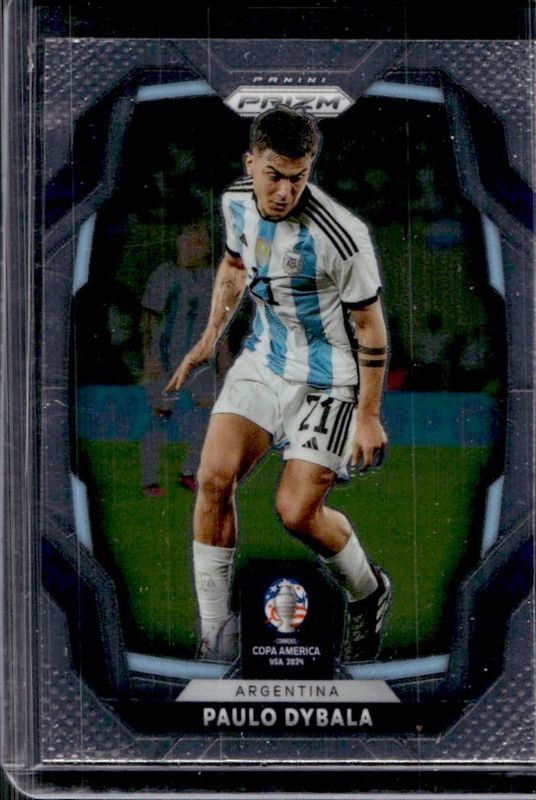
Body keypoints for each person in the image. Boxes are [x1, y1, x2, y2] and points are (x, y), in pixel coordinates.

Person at [167, 106, 391, 663]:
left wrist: (367, 416)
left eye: (298, 176)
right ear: (251, 163)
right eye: (274, 175)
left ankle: (368, 592)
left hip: (328, 380)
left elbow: (370, 328)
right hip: (264, 361)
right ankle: (214, 635)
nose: (286, 191)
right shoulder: (235, 201)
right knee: (213, 480)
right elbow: (234, 265)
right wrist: (210, 336)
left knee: (296, 513)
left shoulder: (343, 236)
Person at [141, 221, 216, 496]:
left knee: (209, 414)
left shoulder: (212, 279)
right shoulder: (165, 275)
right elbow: (149, 320)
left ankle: (189, 472)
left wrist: (224, 361)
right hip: (167, 359)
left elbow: (217, 326)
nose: (195, 247)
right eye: (190, 241)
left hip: (200, 363)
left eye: (201, 242)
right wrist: (150, 357)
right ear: (179, 243)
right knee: (161, 414)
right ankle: (150, 479)